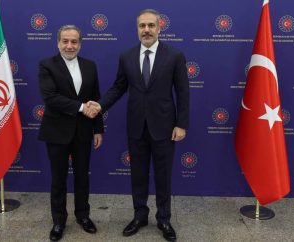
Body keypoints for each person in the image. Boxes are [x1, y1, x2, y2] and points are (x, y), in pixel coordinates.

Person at [87, 9, 189, 242]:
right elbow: (118, 87)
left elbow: (183, 92)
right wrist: (100, 105)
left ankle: (164, 218)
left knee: (163, 176)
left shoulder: (174, 55)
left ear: (159, 28)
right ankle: (139, 216)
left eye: (151, 25)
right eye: (142, 26)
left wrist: (181, 124)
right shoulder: (127, 56)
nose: (146, 30)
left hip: (165, 128)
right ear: (137, 29)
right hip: (136, 126)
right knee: (138, 175)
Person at [38, 25, 103, 241]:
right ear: (58, 43)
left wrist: (98, 129)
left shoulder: (90, 66)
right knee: (58, 178)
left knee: (83, 176)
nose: (69, 45)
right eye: (65, 41)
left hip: (83, 131)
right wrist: (82, 108)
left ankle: (83, 216)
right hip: (56, 131)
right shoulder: (47, 65)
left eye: (74, 41)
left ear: (80, 44)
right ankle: (58, 221)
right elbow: (51, 98)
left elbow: (96, 98)